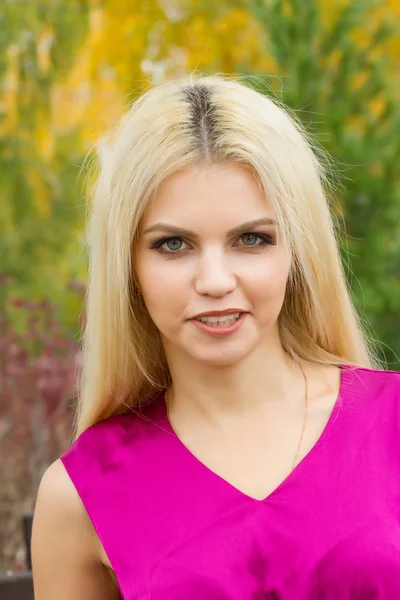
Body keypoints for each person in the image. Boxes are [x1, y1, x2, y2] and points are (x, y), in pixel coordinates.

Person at [31, 75, 400, 599]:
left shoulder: (393, 425)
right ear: (128, 266)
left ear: (297, 250)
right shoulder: (79, 496)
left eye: (252, 239)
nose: (215, 281)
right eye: (173, 244)